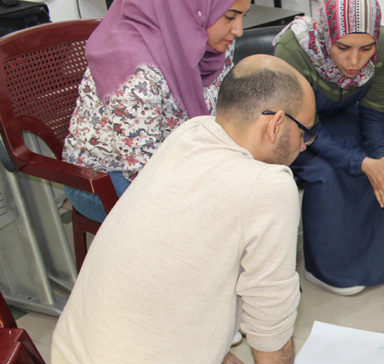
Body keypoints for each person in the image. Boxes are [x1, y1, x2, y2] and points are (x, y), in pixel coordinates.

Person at [50, 54, 323, 364]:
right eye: (306, 131)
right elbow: (270, 324)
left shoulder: (192, 134)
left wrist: (215, 350)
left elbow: (172, 259)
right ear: (278, 124)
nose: (307, 144)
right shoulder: (269, 187)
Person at [62, 0, 250, 223]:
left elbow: (224, 115)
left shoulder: (214, 45)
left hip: (181, 159)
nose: (238, 30)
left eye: (243, 17)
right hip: (108, 178)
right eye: (230, 16)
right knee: (211, 218)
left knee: (249, 194)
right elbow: (143, 172)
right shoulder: (136, 69)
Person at [274, 0, 384, 296]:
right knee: (329, 171)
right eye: (343, 48)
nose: (355, 61)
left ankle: (376, 261)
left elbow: (373, 112)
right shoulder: (294, 50)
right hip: (293, 127)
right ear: (326, 35)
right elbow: (307, 127)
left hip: (338, 117)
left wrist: (380, 157)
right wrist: (359, 162)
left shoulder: (382, 42)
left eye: (365, 49)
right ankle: (327, 269)